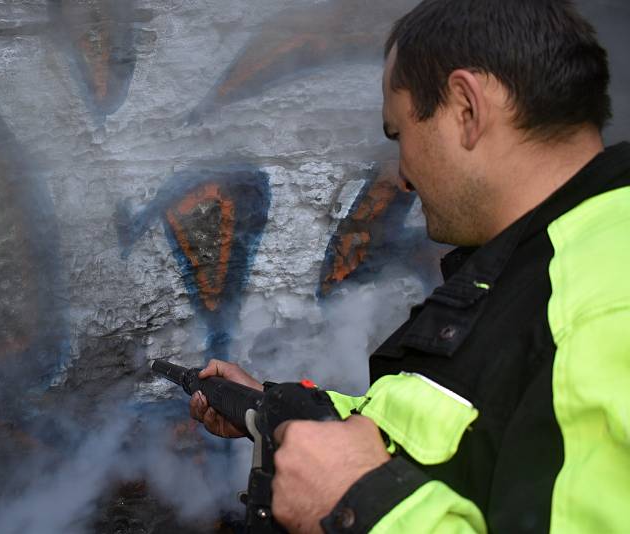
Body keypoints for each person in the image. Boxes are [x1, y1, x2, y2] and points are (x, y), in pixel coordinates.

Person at [190, 0, 629, 532]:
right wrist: (286, 411)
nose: (401, 176)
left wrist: (364, 505)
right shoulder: (547, 260)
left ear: (466, 109)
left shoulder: (604, 309)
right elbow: (469, 429)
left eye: (398, 133)